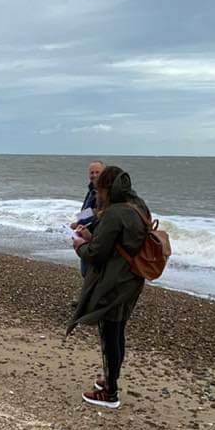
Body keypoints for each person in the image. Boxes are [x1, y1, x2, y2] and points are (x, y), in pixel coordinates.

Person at [67, 165, 150, 408]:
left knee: (109, 335)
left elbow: (96, 253)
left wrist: (80, 246)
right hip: (132, 278)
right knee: (118, 332)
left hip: (114, 282)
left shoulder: (114, 213)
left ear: (107, 188)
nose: (96, 191)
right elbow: (119, 243)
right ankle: (110, 379)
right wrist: (94, 239)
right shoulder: (138, 205)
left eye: (99, 187)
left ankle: (110, 393)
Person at [70, 161, 104, 278]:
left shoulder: (104, 192)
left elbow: (98, 212)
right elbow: (87, 210)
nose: (94, 175)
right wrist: (77, 223)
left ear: (104, 174)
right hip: (84, 234)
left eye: (97, 172)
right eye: (91, 172)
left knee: (91, 273)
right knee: (85, 272)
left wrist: (80, 222)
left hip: (94, 237)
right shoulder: (91, 190)